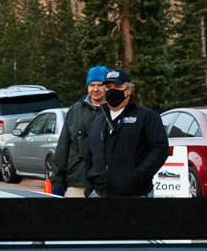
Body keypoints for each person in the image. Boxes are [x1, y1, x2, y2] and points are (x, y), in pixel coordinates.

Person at [83, 69, 170, 197]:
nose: (112, 90)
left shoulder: (146, 116)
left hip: (135, 193)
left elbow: (160, 150)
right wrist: (90, 186)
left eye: (117, 86)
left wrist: (138, 176)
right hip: (99, 193)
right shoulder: (98, 120)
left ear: (129, 89)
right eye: (108, 87)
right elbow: (89, 154)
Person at [51, 66, 111, 195]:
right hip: (77, 181)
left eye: (100, 85)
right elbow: (63, 147)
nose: (95, 89)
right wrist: (57, 180)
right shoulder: (75, 111)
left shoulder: (115, 111)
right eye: (92, 85)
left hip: (108, 184)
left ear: (107, 86)